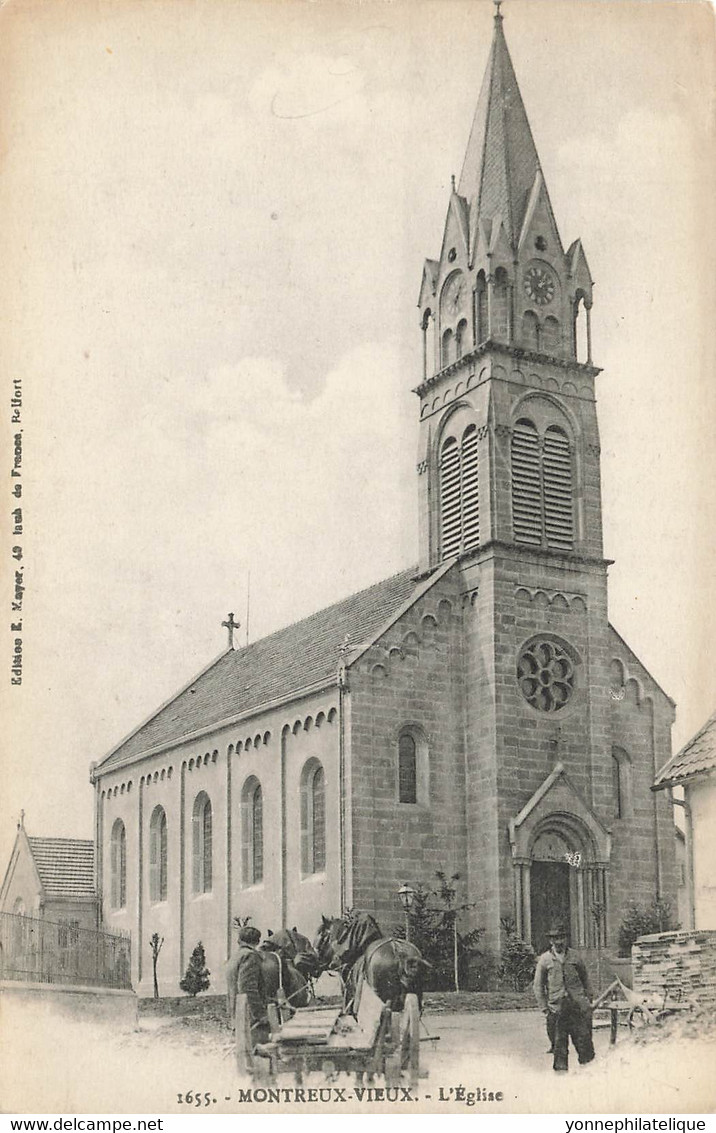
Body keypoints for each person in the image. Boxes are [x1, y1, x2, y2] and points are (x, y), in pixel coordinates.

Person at [533, 920, 595, 1072]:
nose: (558, 941)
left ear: (566, 939)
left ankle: (589, 1074)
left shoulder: (575, 956)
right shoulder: (545, 959)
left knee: (584, 1042)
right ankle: (561, 1079)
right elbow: (538, 986)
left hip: (577, 1007)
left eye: (561, 937)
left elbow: (585, 979)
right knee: (559, 1046)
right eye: (555, 938)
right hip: (557, 1009)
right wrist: (544, 1008)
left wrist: (588, 1002)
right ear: (550, 941)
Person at [226, 925, 270, 1045]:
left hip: (237, 1013)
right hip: (250, 1017)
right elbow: (247, 988)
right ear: (257, 941)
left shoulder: (235, 957)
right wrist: (261, 1015)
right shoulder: (250, 956)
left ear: (239, 940)